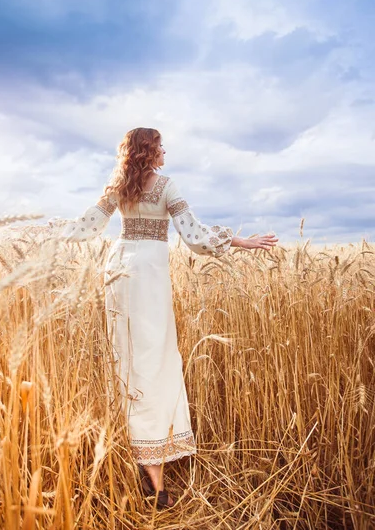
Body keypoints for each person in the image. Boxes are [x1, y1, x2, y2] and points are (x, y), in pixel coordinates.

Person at [60, 127, 278, 509]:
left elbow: (88, 226)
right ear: (148, 151)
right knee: (155, 360)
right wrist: (241, 241)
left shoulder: (118, 185)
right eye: (160, 146)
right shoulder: (167, 187)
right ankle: (155, 469)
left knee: (125, 360)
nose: (165, 151)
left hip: (118, 271)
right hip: (148, 276)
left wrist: (45, 237)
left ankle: (135, 456)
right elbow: (194, 236)